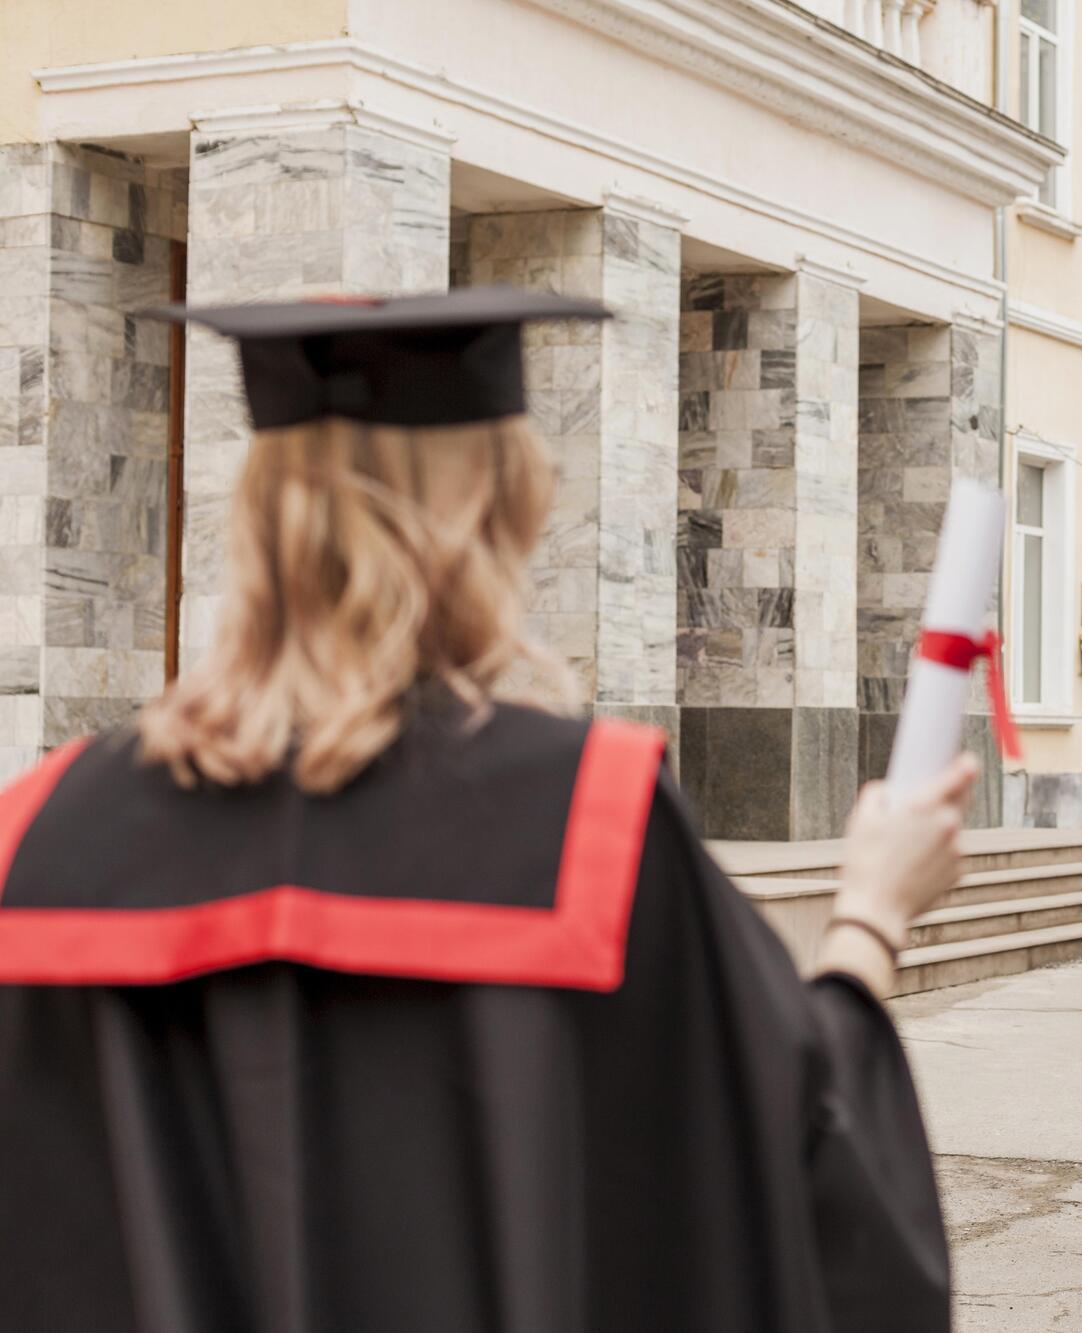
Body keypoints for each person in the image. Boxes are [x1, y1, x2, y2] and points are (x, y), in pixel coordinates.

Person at [0, 288, 972, 1333]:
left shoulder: (42, 840)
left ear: (253, 512)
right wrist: (871, 913)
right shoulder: (586, 827)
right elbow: (803, 1174)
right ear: (501, 514)